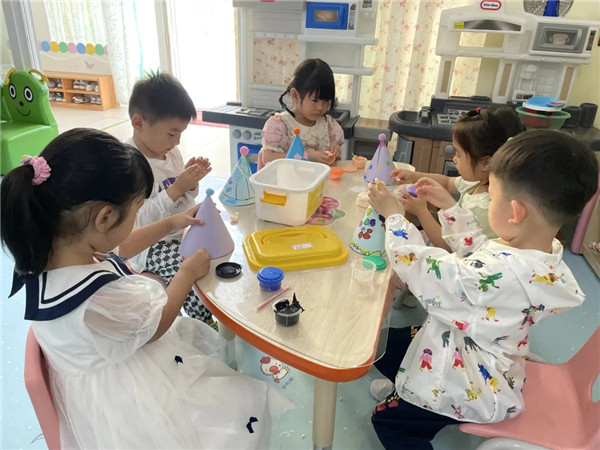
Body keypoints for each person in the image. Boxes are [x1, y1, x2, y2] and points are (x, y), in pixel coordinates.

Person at [1, 128, 292, 449]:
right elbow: (156, 325)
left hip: (96, 368)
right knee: (238, 408)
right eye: (137, 210)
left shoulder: (52, 253)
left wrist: (172, 222)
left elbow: (120, 247)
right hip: (128, 401)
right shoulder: (98, 297)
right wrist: (186, 273)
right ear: (104, 217)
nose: (137, 216)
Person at [365, 130, 598, 449]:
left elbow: (425, 271)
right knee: (388, 344)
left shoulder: (497, 274)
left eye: (493, 196)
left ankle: (409, 405)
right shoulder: (542, 252)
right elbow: (481, 255)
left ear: (515, 212)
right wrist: (449, 207)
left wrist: (394, 217)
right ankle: (403, 393)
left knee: (388, 422)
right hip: (487, 355)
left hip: (467, 385)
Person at [391, 106, 524, 308]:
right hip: (450, 244)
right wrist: (415, 176)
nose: (454, 159)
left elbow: (447, 246)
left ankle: (419, 293)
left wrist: (421, 212)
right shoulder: (478, 181)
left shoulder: (487, 207)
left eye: (459, 154)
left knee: (403, 250)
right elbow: (447, 182)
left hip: (461, 269)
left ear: (486, 163)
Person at [126, 71, 214, 324]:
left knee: (221, 252)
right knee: (194, 274)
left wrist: (190, 181)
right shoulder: (129, 163)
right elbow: (136, 221)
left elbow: (183, 198)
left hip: (182, 231)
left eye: (180, 134)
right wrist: (176, 188)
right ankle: (204, 325)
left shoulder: (169, 152)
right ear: (139, 122)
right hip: (152, 246)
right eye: (172, 133)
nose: (176, 141)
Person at [258, 58, 344, 168]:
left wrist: (334, 152)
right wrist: (308, 156)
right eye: (315, 100)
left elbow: (333, 163)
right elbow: (268, 158)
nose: (320, 107)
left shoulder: (329, 125)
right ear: (295, 95)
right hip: (288, 178)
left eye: (326, 101)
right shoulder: (279, 125)